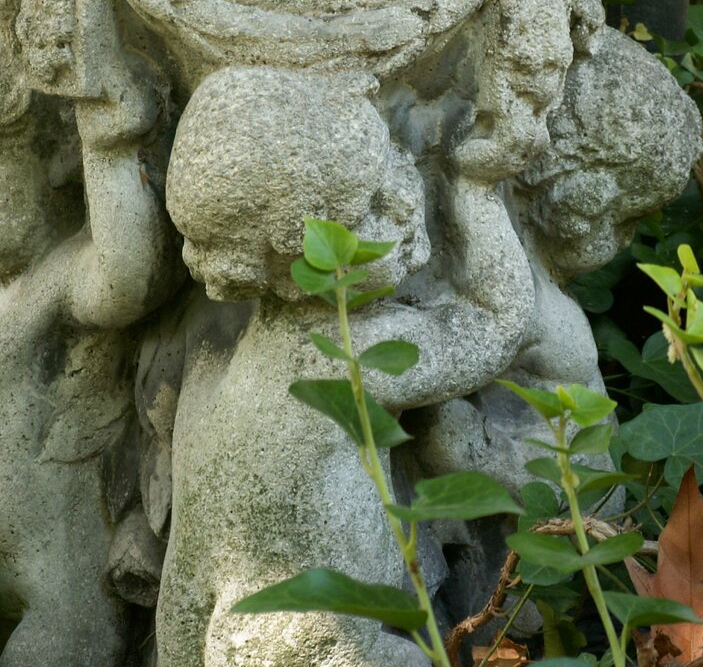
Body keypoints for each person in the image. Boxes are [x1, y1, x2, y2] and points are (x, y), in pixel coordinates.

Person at [156, 65, 535, 667]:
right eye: (373, 207)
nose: (406, 199)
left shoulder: (221, 369)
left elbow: (189, 572)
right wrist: (480, 189)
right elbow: (495, 322)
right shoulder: (351, 359)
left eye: (392, 165)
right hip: (322, 646)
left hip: (224, 631)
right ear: (299, 253)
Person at [0, 0, 178, 665]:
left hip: (59, 580)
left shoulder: (62, 276)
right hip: (6, 581)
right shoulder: (20, 284)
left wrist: (106, 135)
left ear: (53, 157)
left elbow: (129, 275)